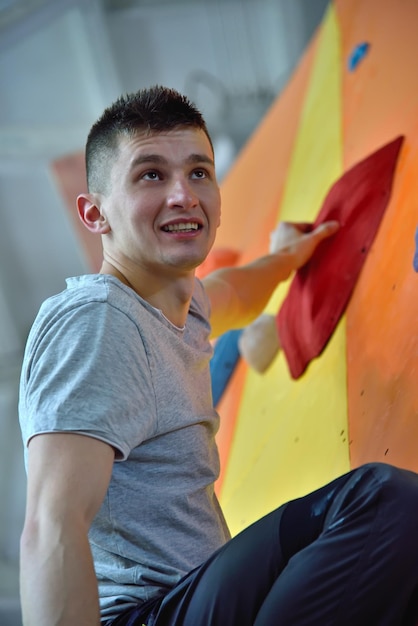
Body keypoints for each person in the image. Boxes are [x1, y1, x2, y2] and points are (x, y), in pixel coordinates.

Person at [19, 85, 418, 626]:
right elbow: (52, 522)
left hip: (191, 597)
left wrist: (286, 261)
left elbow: (235, 291)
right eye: (151, 175)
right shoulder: (98, 320)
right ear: (95, 214)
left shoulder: (179, 304)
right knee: (380, 502)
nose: (183, 194)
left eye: (199, 172)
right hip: (146, 615)